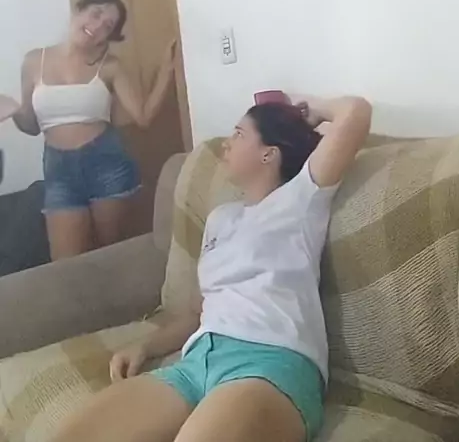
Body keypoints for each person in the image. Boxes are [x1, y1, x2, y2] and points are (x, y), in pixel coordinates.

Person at [51, 94, 372, 442]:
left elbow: (356, 113)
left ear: (269, 153)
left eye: (239, 134)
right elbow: (199, 311)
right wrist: (145, 346)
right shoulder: (221, 218)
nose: (225, 144)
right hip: (197, 363)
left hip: (271, 362)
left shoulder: (301, 198)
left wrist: (310, 111)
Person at [9, 0, 176, 260]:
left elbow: (143, 116)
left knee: (108, 258)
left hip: (106, 164)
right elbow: (31, 126)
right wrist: (14, 111)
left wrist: (166, 72)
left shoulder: (110, 66)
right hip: (58, 170)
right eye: (96, 14)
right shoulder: (33, 61)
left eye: (107, 26)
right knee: (66, 266)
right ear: (79, 10)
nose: (97, 26)